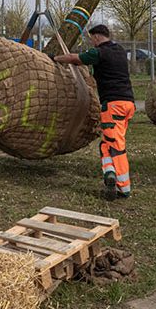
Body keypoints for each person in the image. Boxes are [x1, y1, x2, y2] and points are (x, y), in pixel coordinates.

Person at [55, 24, 136, 201]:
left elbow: (74, 58)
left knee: (116, 146)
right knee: (106, 144)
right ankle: (109, 173)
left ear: (97, 37)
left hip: (113, 105)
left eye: (92, 39)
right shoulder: (120, 50)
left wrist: (55, 58)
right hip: (128, 103)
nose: (92, 42)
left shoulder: (99, 52)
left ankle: (123, 188)